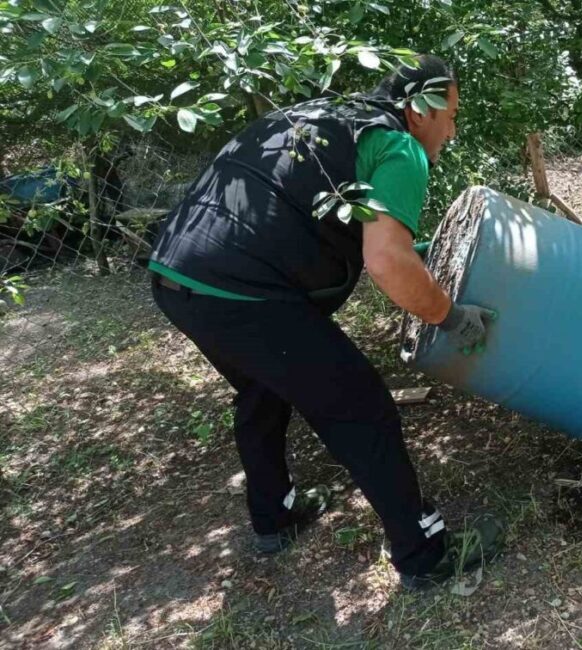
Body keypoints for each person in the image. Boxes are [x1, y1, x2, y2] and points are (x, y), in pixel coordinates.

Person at [147, 54, 502, 590]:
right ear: (420, 108)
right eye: (450, 113)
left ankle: (275, 517)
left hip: (177, 272)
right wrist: (450, 316)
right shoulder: (398, 146)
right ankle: (424, 554)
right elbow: (387, 263)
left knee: (263, 387)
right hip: (242, 289)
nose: (452, 129)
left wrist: (412, 251)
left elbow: (316, 211)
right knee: (360, 407)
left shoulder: (325, 114)